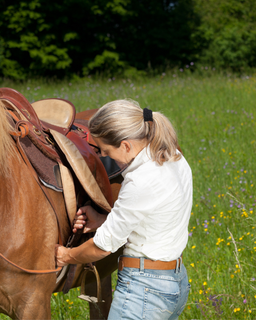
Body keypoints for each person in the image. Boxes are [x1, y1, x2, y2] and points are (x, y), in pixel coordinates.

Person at [55, 99, 192, 320]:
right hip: (174, 282)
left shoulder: (141, 180)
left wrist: (66, 256)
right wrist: (102, 220)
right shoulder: (174, 157)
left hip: (144, 290)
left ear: (126, 145)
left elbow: (102, 247)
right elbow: (151, 216)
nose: (106, 157)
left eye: (106, 151)